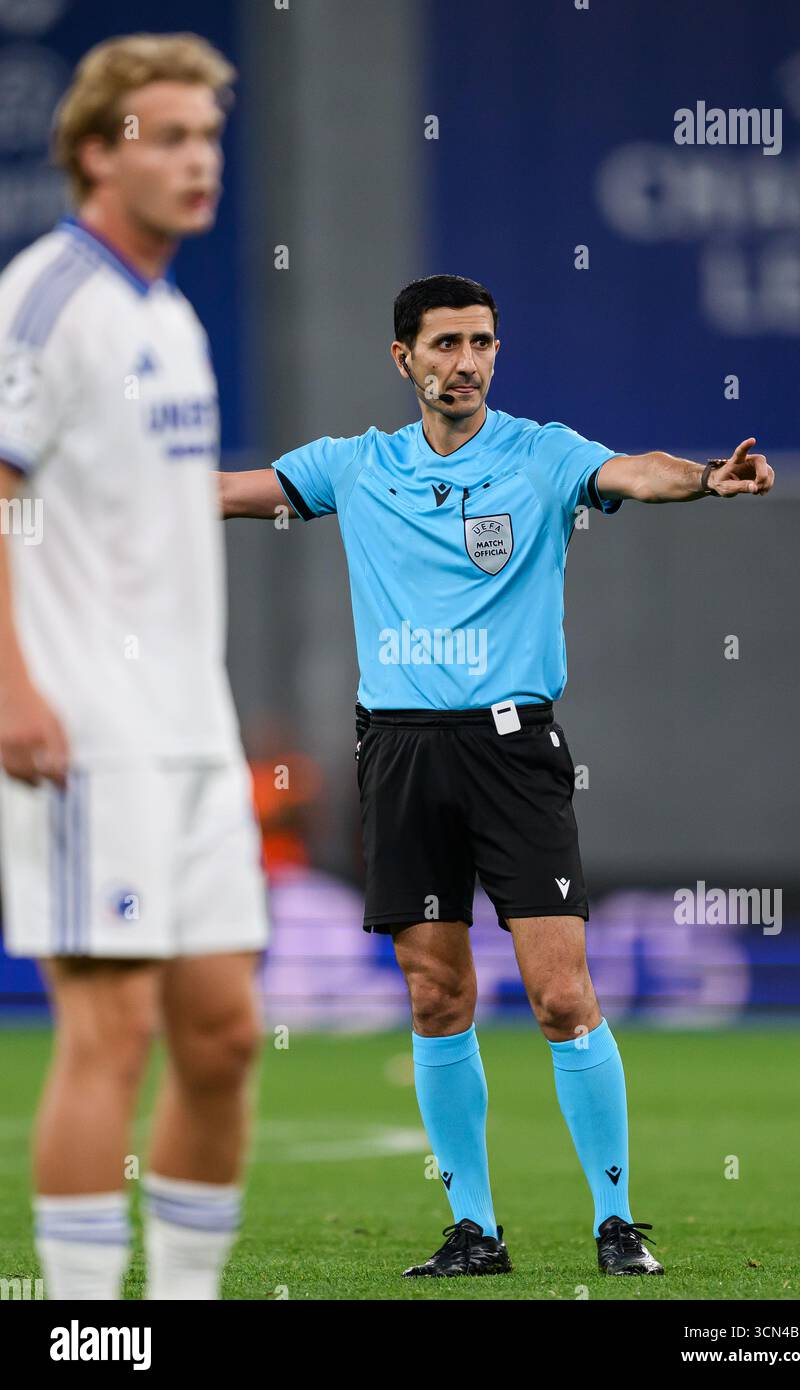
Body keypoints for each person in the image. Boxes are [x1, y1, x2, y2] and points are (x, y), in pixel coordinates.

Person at [219, 273, 773, 1278]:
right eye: (442, 345)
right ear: (403, 359)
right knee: (435, 995)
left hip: (512, 750)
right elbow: (225, 493)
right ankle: (473, 1229)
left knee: (560, 994)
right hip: (398, 749)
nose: (463, 362)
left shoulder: (540, 453)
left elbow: (631, 471)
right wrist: (81, 492)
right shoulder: (354, 466)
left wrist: (701, 476)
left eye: (479, 343)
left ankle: (614, 1220)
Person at [0, 34, 268, 1300]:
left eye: (209, 138)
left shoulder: (172, 311)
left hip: (191, 730)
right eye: (170, 137)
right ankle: (82, 1328)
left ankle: (180, 1312)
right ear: (101, 151)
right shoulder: (47, 298)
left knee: (218, 1036)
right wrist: (10, 682)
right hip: (88, 729)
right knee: (105, 1029)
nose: (199, 162)